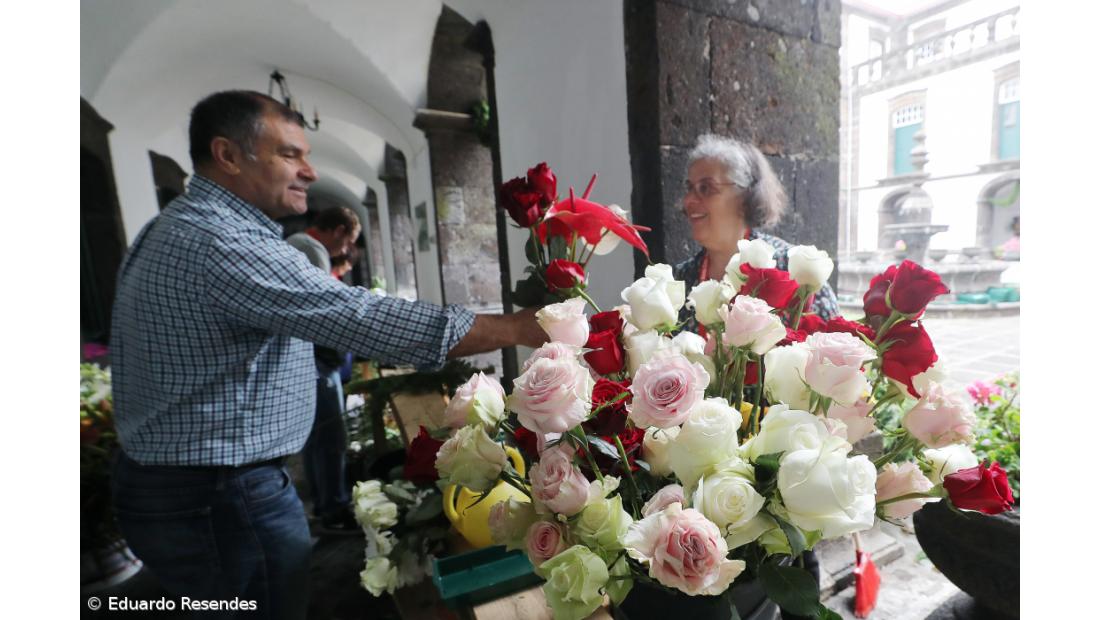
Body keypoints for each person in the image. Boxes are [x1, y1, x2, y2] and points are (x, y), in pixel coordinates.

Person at [109, 90, 545, 619]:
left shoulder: (178, 223)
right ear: (228, 155)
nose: (309, 171)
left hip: (187, 486)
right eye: (289, 154)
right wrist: (521, 326)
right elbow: (360, 317)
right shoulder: (222, 240)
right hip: (220, 497)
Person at [672, 134, 840, 335]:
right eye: (689, 188)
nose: (689, 200)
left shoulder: (791, 267)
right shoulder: (680, 279)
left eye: (706, 188)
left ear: (745, 196)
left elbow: (831, 351)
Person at [286, 208, 363, 533]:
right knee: (331, 437)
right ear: (338, 230)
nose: (346, 250)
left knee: (316, 439)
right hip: (317, 361)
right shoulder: (311, 249)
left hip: (306, 360)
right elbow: (323, 313)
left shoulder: (295, 243)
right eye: (349, 241)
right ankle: (333, 508)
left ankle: (323, 504)